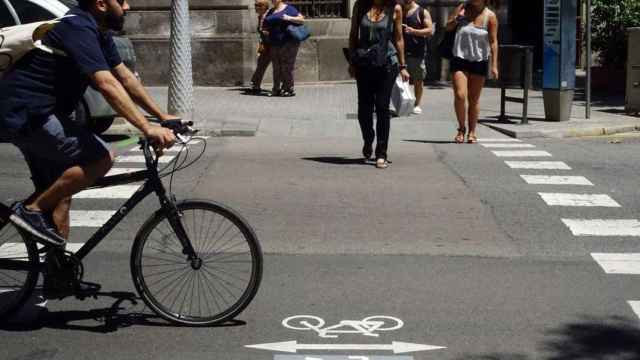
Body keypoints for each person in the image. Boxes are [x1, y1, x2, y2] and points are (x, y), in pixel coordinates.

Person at [0, 0, 176, 247]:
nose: (126, 7)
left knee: (60, 194)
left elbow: (123, 76)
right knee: (101, 157)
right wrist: (146, 128)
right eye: (122, 1)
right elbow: (106, 83)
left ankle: (58, 277)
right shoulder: (77, 27)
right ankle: (32, 210)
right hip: (26, 114)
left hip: (39, 113)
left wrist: (162, 116)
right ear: (101, 4)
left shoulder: (98, 31)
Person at [348, 0, 410, 169]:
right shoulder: (360, 6)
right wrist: (352, 62)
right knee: (364, 109)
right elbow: (354, 34)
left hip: (387, 64)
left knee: (382, 107)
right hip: (364, 63)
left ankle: (381, 153)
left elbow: (398, 38)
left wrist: (403, 66)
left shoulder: (395, 9)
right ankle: (368, 139)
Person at [447, 0, 498, 144]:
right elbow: (448, 27)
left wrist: (494, 65)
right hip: (459, 58)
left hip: (479, 61)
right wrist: (457, 18)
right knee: (460, 95)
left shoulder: (490, 16)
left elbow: (493, 41)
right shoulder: (461, 8)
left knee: (474, 99)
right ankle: (461, 128)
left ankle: (472, 131)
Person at [263, 0, 305, 97]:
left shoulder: (289, 8)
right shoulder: (271, 11)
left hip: (288, 42)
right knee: (276, 67)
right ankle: (276, 89)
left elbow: (302, 19)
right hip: (274, 42)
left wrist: (289, 18)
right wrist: (266, 30)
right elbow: (267, 23)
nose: (273, 0)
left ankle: (288, 88)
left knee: (287, 66)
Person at [400, 0, 433, 115]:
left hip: (417, 52)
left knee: (418, 80)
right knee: (401, 80)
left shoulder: (422, 12)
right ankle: (403, 103)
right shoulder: (400, 10)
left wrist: (413, 31)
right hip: (401, 52)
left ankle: (417, 104)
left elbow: (429, 31)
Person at [250, 0, 272, 93]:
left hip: (273, 44)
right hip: (265, 44)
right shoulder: (260, 16)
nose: (255, 7)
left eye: (257, 5)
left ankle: (285, 86)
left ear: (263, 6)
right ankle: (255, 84)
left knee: (279, 66)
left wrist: (266, 33)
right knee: (261, 64)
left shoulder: (269, 16)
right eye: (255, 5)